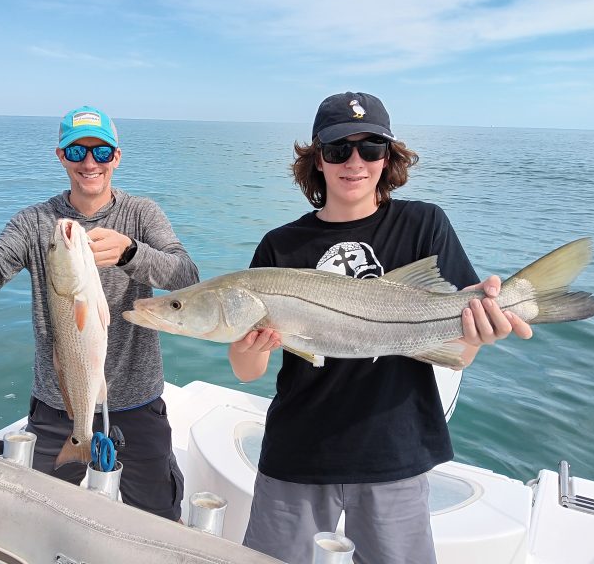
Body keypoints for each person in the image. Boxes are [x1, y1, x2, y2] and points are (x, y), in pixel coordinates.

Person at [228, 92, 533, 564]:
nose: (355, 162)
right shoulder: (280, 246)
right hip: (297, 454)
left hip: (395, 452)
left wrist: (476, 334)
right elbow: (247, 371)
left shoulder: (423, 223)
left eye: (370, 148)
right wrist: (253, 343)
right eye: (337, 149)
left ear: (387, 157)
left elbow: (459, 352)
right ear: (317, 160)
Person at [0, 105, 199, 521]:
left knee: (158, 515)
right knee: (41, 514)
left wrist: (131, 253)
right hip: (58, 406)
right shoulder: (36, 222)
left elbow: (186, 276)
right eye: (77, 152)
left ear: (116, 157)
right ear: (60, 156)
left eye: (102, 152)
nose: (90, 163)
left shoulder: (141, 214)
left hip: (138, 403)